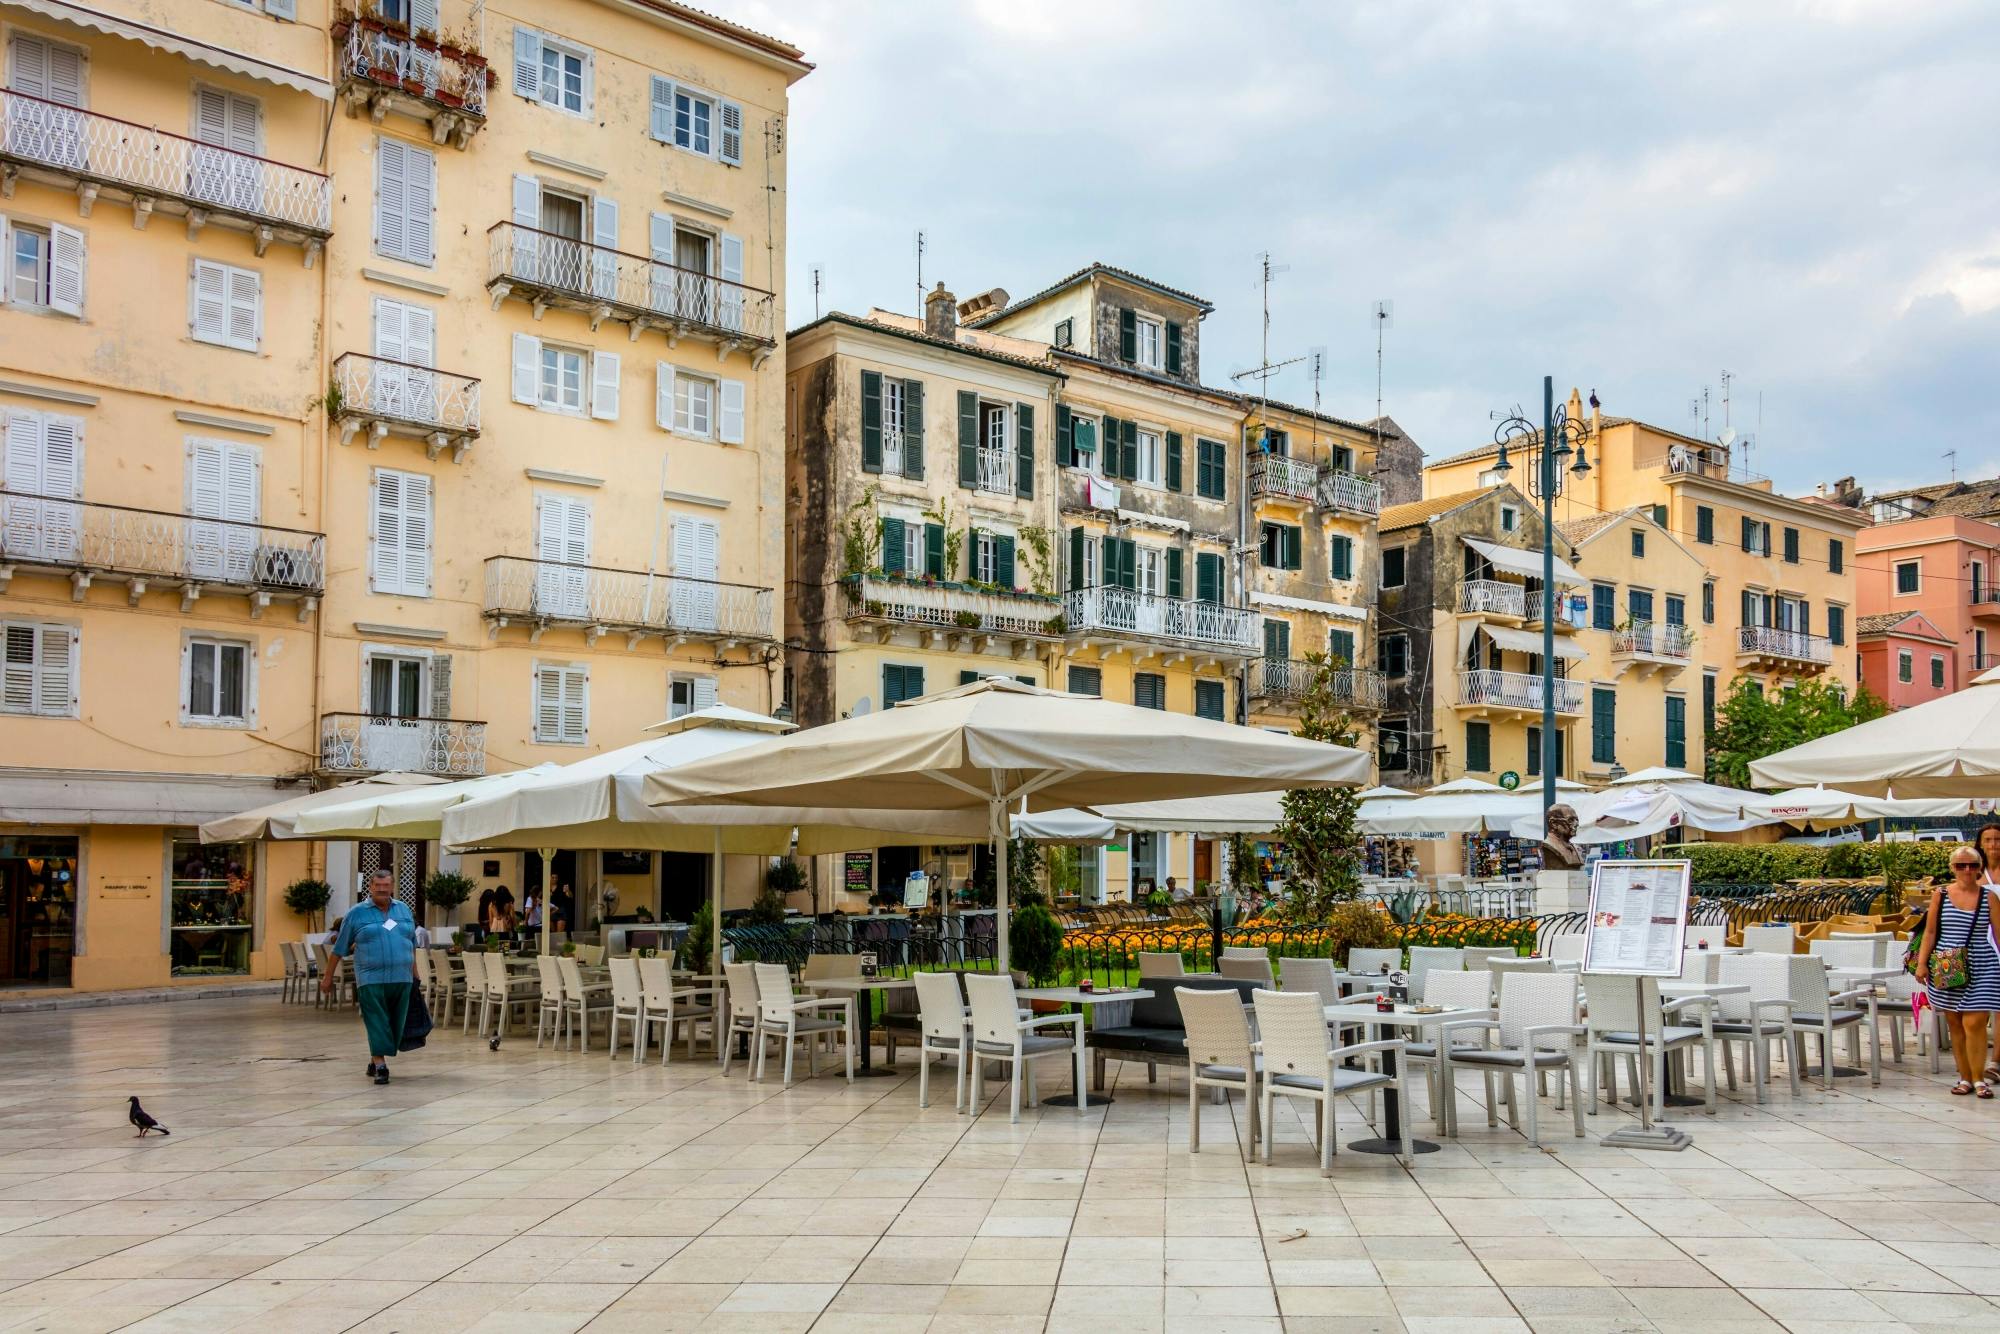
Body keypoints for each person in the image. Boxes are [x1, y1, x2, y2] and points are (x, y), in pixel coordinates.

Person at [1914, 845, 2000, 1097]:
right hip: (1947, 963)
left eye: (1972, 865)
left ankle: (1979, 1079)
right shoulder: (1940, 895)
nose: (1967, 870)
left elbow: (1999, 933)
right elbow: (1930, 931)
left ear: (1979, 868)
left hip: (1982, 964)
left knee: (1975, 1022)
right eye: (1961, 865)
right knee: (1956, 1024)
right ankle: (1965, 1077)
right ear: (1953, 868)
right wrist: (1922, 963)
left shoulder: (1989, 897)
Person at [324, 870, 419, 1085]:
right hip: (370, 978)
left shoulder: (403, 910)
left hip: (402, 978)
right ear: (370, 887)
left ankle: (374, 1058)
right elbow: (339, 948)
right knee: (376, 1020)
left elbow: (411, 944)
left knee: (395, 1023)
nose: (382, 890)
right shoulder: (356, 913)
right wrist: (328, 977)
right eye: (378, 885)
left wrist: (416, 974)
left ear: (392, 887)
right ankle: (381, 1065)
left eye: (386, 886)